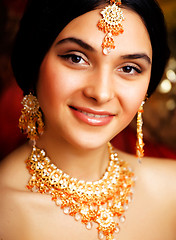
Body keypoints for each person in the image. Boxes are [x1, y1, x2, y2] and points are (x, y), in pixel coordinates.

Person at [0, 0, 176, 239]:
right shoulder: (6, 213)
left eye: (129, 69)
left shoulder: (171, 189)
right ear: (35, 63)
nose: (101, 93)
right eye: (76, 58)